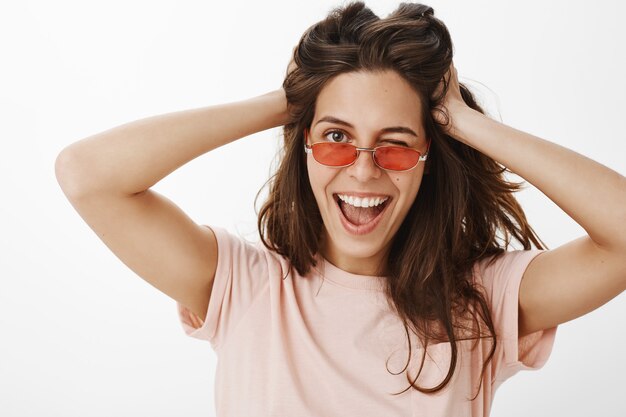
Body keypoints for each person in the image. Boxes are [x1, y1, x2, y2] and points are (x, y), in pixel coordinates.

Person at [54, 2, 626, 416]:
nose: (362, 169)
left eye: (396, 144)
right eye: (335, 138)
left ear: (430, 156)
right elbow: (86, 175)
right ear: (303, 147)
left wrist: (464, 122)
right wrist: (293, 99)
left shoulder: (484, 301)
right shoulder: (244, 287)